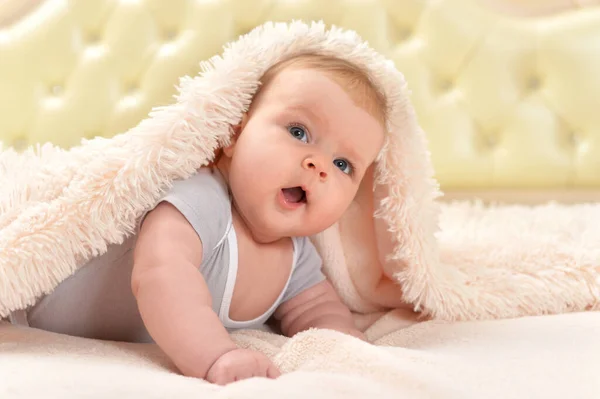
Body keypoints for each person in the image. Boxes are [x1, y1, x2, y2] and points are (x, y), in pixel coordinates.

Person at [16, 53, 388, 385]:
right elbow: (161, 275)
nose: (318, 164)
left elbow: (317, 311)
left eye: (343, 165)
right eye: (298, 132)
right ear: (235, 135)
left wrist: (345, 348)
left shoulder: (298, 257)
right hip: (28, 303)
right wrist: (215, 355)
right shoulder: (202, 200)